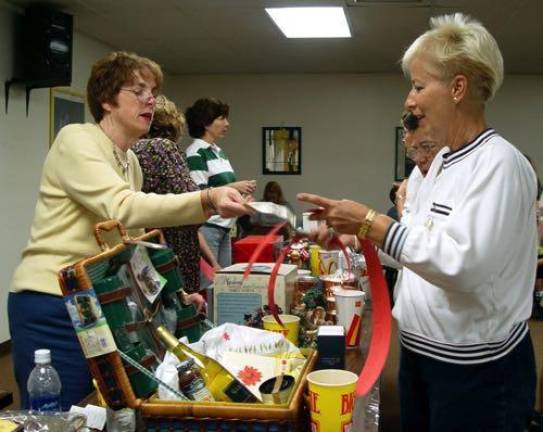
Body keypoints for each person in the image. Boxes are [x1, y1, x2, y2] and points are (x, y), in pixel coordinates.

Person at [298, 13, 537, 431]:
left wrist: (370, 222)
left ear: (458, 88)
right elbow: (418, 251)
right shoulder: (437, 165)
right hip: (420, 358)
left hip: (475, 373)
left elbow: (462, 266)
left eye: (419, 85)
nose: (409, 99)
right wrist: (356, 235)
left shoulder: (499, 164)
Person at [8, 51, 249, 410]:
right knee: (61, 414)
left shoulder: (130, 160)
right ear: (106, 99)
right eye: (138, 90)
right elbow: (123, 207)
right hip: (52, 303)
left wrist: (171, 295)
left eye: (152, 91)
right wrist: (209, 198)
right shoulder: (76, 139)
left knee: (100, 409)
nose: (150, 99)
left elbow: (128, 245)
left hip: (93, 304)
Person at [133, 95, 221, 297]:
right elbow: (190, 199)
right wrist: (217, 198)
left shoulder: (132, 149)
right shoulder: (162, 148)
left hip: (146, 248)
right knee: (183, 310)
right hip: (175, 248)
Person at [186, 97, 256, 268]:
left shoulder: (218, 152)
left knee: (222, 283)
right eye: (221, 118)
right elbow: (199, 194)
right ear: (206, 123)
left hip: (225, 227)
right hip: (208, 228)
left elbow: (219, 189)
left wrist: (241, 195)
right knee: (211, 284)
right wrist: (234, 186)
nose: (227, 123)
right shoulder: (196, 153)